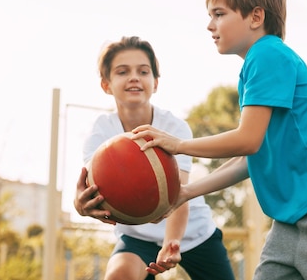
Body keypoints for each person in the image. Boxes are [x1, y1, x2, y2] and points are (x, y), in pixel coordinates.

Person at [130, 0, 307, 280]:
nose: (210, 25)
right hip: (291, 217)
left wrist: (179, 144)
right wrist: (185, 192)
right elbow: (249, 157)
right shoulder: (256, 67)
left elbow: (246, 141)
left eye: (219, 14)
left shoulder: (268, 53)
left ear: (256, 17)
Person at [74, 36, 235, 280]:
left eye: (143, 71)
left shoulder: (173, 127)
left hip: (193, 232)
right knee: (118, 275)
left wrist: (172, 242)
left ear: (156, 82)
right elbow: (90, 189)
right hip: (138, 235)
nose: (134, 77)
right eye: (122, 71)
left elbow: (177, 194)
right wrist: (81, 206)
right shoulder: (101, 132)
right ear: (106, 84)